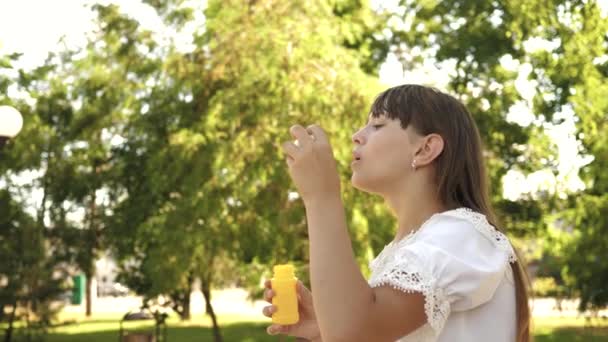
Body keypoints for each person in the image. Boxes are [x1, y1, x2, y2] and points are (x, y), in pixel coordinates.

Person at [262, 84, 531, 341]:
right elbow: (360, 333)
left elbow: (354, 332)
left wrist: (322, 197)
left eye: (377, 125)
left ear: (425, 149)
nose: (357, 135)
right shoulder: (414, 247)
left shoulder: (460, 236)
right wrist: (326, 328)